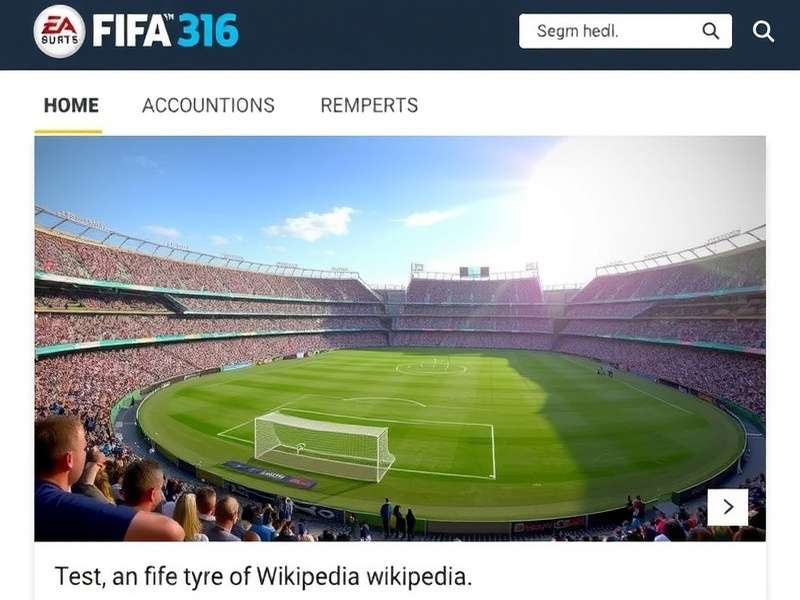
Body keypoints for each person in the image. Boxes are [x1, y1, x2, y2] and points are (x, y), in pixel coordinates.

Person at [34, 415, 183, 541]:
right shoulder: (60, 504)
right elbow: (172, 531)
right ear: (69, 460)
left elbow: (86, 485)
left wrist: (95, 464)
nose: (87, 452)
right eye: (84, 448)